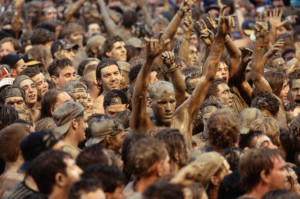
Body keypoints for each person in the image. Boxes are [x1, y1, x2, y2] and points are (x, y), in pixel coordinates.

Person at [131, 6, 232, 149]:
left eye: (172, 102)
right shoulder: (143, 124)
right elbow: (138, 95)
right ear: (150, 101)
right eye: (162, 103)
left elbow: (208, 77)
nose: (168, 108)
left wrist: (220, 36)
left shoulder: (183, 117)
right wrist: (148, 61)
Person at [3, 130, 64, 199]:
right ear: (43, 156)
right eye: (60, 151)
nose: (66, 155)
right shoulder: (18, 196)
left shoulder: (60, 187)